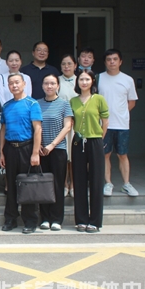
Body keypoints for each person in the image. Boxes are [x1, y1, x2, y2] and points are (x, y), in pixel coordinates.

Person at [0, 73, 42, 234]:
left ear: (24, 84)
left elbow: (37, 129)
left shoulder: (32, 104)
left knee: (27, 185)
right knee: (10, 185)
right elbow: (3, 130)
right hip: (10, 148)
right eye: (11, 83)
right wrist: (2, 152)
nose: (14, 86)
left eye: (17, 82)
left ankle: (30, 221)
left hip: (27, 148)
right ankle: (10, 218)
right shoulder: (6, 106)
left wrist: (35, 153)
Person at [70, 70, 109, 233]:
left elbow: (105, 121)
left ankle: (95, 221)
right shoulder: (73, 101)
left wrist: (99, 138)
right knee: (79, 180)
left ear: (92, 81)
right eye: (81, 79)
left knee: (96, 180)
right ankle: (81, 219)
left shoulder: (99, 99)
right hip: (78, 142)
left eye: (87, 79)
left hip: (95, 141)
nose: (84, 82)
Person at [98, 49, 139, 197]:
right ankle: (108, 183)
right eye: (109, 59)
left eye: (115, 59)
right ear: (105, 62)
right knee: (105, 154)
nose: (112, 62)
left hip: (122, 124)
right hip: (103, 124)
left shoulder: (128, 80)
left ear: (120, 61)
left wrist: (121, 113)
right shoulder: (98, 78)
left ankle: (126, 184)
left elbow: (132, 102)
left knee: (122, 154)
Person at [37, 74, 73, 231]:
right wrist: (38, 145)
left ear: (58, 86)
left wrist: (52, 145)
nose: (49, 86)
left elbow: (67, 127)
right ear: (42, 86)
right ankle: (45, 218)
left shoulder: (64, 104)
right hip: (41, 150)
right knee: (43, 185)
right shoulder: (37, 104)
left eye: (52, 83)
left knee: (58, 185)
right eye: (46, 83)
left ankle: (57, 219)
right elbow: (34, 126)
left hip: (58, 150)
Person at [58, 54, 78, 198]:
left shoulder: (81, 80)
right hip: (61, 123)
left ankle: (74, 184)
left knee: (75, 156)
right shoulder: (57, 81)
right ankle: (65, 184)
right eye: (64, 64)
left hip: (77, 124)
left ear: (75, 65)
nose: (66, 66)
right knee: (64, 156)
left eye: (69, 63)